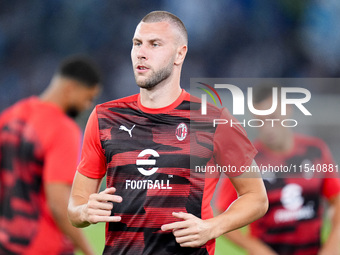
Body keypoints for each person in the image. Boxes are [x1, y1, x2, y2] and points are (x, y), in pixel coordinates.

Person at [68, 11, 268, 255]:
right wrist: (84, 211)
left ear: (179, 54)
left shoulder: (213, 120)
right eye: (137, 43)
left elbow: (256, 198)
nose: (141, 52)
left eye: (155, 44)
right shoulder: (104, 117)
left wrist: (213, 227)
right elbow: (76, 204)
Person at [215, 84, 340, 255]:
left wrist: (332, 247)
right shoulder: (247, 160)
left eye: (272, 117)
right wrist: (255, 248)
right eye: (261, 121)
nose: (267, 128)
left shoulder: (316, 151)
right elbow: (221, 212)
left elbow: (336, 199)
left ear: (287, 109)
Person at [0, 55, 101, 255]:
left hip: (7, 243)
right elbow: (59, 203)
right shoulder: (63, 129)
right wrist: (88, 251)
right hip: (45, 246)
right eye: (88, 97)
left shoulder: (8, 117)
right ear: (71, 88)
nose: (87, 105)